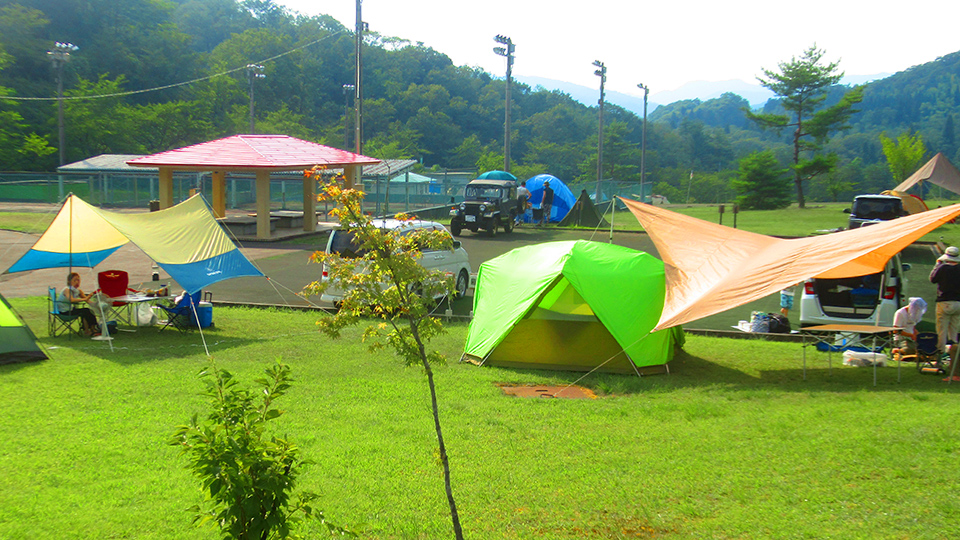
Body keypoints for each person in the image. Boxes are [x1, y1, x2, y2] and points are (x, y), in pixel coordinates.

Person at [930, 246, 960, 379]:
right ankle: (954, 363)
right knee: (954, 334)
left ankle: (939, 361)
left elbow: (932, 279)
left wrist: (937, 265)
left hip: (944, 302)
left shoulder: (942, 268)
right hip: (958, 303)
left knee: (941, 332)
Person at [58, 272, 99, 336]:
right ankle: (91, 330)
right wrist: (84, 299)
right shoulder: (67, 290)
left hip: (71, 309)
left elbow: (87, 300)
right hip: (64, 312)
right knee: (85, 311)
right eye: (75, 280)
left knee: (88, 311)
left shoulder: (78, 291)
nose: (77, 282)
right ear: (69, 281)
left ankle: (92, 329)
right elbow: (71, 300)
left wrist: (97, 305)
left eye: (78, 280)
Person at [891, 297, 928, 361]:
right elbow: (896, 330)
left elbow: (913, 327)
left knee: (924, 349)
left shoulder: (914, 314)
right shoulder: (900, 313)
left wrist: (918, 336)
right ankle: (896, 351)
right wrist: (910, 335)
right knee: (910, 349)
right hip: (901, 339)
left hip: (911, 338)